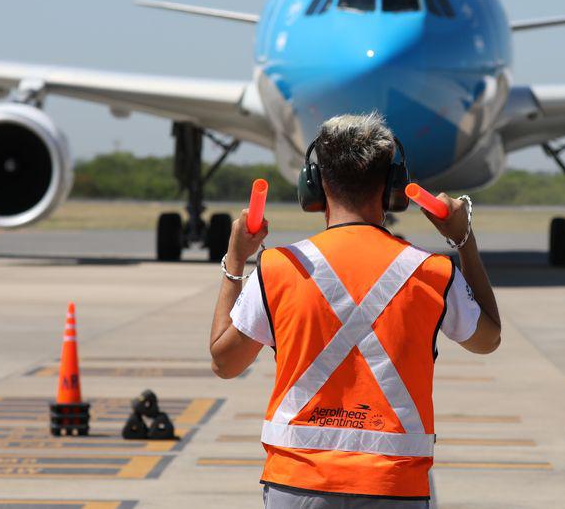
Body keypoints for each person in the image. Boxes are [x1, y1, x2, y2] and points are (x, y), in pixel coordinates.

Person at [209, 113, 501, 507]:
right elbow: (488, 339)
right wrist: (463, 238)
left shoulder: (279, 268)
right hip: (395, 485)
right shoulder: (432, 272)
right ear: (393, 188)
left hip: (297, 481)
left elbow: (224, 363)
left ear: (314, 185)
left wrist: (235, 260)